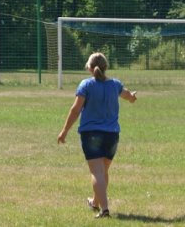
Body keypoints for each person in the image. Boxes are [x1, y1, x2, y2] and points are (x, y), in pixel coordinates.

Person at [58, 52, 138, 219]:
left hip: (91, 134)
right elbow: (128, 95)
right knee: (103, 172)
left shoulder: (86, 85)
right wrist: (132, 98)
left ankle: (105, 209)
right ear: (105, 67)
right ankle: (95, 202)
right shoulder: (115, 84)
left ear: (89, 67)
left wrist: (64, 131)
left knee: (97, 172)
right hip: (112, 136)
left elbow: (75, 109)